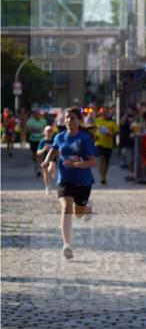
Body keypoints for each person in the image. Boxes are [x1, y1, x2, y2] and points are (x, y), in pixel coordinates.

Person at [42, 107, 97, 259]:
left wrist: (77, 165)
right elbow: (53, 149)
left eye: (72, 117)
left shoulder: (85, 138)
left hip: (83, 182)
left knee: (79, 214)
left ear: (79, 120)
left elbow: (93, 162)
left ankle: (87, 209)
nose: (68, 120)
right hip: (65, 179)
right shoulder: (59, 137)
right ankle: (67, 245)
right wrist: (46, 161)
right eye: (66, 118)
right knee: (66, 207)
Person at [93, 106, 119, 185]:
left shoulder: (112, 122)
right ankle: (102, 177)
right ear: (101, 113)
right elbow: (93, 130)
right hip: (99, 143)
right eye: (103, 112)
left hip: (108, 144)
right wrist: (94, 136)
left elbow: (117, 131)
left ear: (108, 113)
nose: (105, 113)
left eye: (106, 112)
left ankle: (104, 176)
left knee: (107, 162)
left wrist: (111, 133)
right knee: (102, 160)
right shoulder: (97, 121)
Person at [36, 125, 57, 194]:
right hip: (44, 160)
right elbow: (38, 152)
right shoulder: (42, 141)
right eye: (47, 131)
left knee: (51, 165)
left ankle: (53, 171)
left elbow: (58, 150)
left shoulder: (54, 140)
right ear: (44, 132)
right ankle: (47, 187)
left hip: (52, 159)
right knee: (46, 174)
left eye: (50, 131)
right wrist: (44, 149)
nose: (49, 132)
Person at [26, 108, 44, 176]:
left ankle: (38, 167)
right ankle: (35, 164)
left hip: (40, 140)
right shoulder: (30, 121)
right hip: (32, 139)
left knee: (40, 154)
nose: (37, 115)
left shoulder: (43, 121)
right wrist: (29, 131)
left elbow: (45, 128)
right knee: (34, 153)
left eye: (38, 114)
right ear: (33, 115)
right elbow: (27, 130)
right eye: (36, 114)